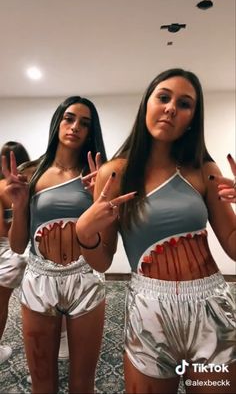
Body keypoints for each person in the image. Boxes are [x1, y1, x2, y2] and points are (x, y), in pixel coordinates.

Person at [74, 69, 236, 394]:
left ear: (193, 117)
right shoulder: (114, 173)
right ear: (146, 104)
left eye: (185, 103)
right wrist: (84, 230)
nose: (171, 108)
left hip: (212, 311)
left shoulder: (205, 170)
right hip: (149, 313)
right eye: (163, 97)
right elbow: (102, 261)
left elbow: (233, 245)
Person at [1, 96, 107, 393]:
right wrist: (20, 205)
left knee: (82, 384)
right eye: (69, 118)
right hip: (39, 280)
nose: (75, 127)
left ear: (91, 131)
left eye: (84, 124)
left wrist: (100, 199)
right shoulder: (31, 171)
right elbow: (19, 245)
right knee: (42, 383)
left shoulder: (96, 174)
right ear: (58, 121)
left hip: (85, 280)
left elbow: (105, 250)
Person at [0, 141, 30, 364]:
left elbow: (2, 230)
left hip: (8, 252)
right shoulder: (31, 184)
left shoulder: (0, 187)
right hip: (25, 252)